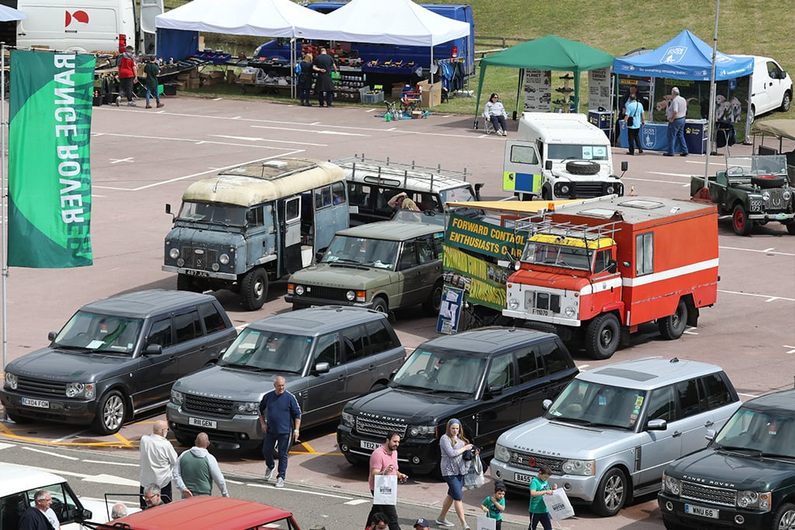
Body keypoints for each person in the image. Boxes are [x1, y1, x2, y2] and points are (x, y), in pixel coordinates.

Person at [259, 375, 302, 488]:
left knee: (283, 454)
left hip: (285, 432)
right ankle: (270, 465)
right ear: (274, 386)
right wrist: (263, 423)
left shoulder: (290, 398)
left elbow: (297, 414)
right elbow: (260, 409)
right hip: (271, 430)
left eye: (283, 385)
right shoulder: (268, 397)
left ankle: (281, 477)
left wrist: (296, 430)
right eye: (279, 386)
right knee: (266, 450)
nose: (281, 388)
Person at [435, 418, 474, 529]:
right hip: (448, 471)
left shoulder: (462, 439)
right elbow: (451, 453)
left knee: (452, 495)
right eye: (453, 428)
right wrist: (465, 447)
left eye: (457, 428)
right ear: (449, 428)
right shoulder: (444, 438)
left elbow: (465, 456)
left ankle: (441, 518)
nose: (455, 431)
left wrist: (471, 451)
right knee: (458, 497)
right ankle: (464, 524)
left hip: (461, 471)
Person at [365, 432, 407, 530]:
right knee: (392, 517)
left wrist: (400, 475)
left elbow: (394, 469)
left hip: (389, 488)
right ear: (387, 440)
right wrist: (384, 472)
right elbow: (374, 473)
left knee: (375, 513)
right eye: (394, 441)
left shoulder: (394, 452)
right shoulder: (378, 454)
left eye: (398, 442)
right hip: (379, 489)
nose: (396, 444)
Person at [139, 420, 181, 509]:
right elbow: (175, 460)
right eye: (167, 429)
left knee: (144, 509)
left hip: (145, 483)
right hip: (162, 484)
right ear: (162, 431)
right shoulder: (166, 445)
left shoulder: (144, 440)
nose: (167, 431)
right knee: (165, 509)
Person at [175, 432, 230, 498]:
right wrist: (225, 493)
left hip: (187, 495)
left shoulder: (183, 455)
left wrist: (183, 488)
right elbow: (219, 479)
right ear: (208, 444)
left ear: (195, 442)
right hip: (204, 496)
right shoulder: (210, 458)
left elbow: (176, 474)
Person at [529, 465, 557, 530]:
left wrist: (553, 489)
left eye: (547, 478)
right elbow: (533, 493)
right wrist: (545, 492)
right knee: (532, 527)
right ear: (540, 472)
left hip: (544, 510)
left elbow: (547, 490)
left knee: (548, 528)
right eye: (545, 477)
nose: (546, 479)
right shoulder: (534, 481)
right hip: (535, 510)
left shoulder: (545, 481)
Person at [665, 86, 689, 157]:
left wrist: (672, 118)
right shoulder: (683, 99)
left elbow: (675, 111)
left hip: (676, 120)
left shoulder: (675, 101)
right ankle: (685, 150)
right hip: (682, 119)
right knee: (680, 135)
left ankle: (671, 151)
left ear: (673, 93)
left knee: (671, 136)